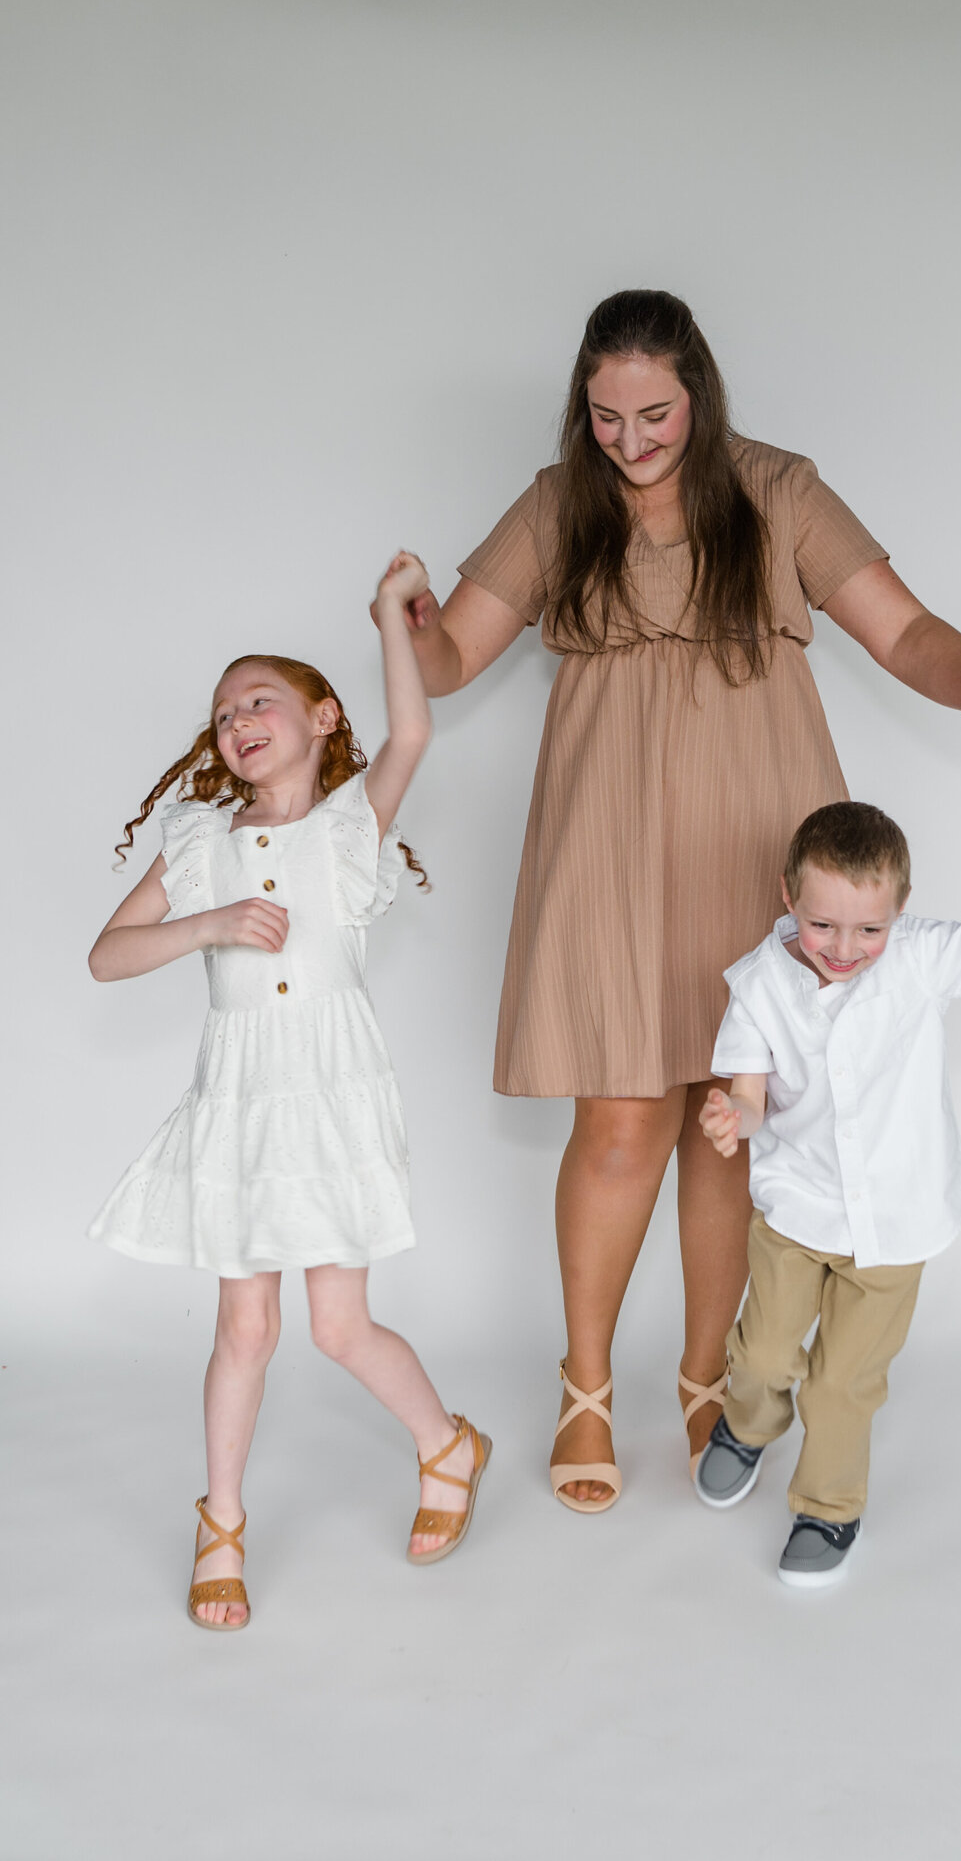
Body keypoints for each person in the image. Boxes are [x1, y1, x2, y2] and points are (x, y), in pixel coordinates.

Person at [402, 287, 961, 1512]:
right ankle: (586, 1381)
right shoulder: (557, 503)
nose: (631, 440)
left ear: (698, 391)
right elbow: (447, 663)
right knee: (618, 1117)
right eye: (606, 417)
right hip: (609, 837)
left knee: (735, 1112)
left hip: (763, 829)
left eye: (655, 414)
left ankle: (709, 1370)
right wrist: (414, 625)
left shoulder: (779, 490)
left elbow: (904, 630)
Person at [87, 553, 490, 1630]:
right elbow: (107, 956)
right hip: (239, 1101)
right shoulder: (198, 841)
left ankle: (447, 1444)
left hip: (329, 1093)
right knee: (245, 1327)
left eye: (259, 700)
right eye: (223, 714)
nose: (237, 721)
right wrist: (208, 924)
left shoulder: (350, 830)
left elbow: (413, 732)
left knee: (341, 1326)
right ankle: (221, 1521)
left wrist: (391, 615)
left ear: (322, 717)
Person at [695, 735, 961, 1583]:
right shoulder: (758, 984)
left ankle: (829, 1508)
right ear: (788, 895)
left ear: (901, 911)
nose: (843, 946)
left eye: (870, 928)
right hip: (798, 1210)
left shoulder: (920, 960)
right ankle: (747, 1427)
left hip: (896, 1222)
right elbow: (751, 1096)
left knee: (842, 1385)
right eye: (822, 924)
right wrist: (732, 1116)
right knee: (762, 1358)